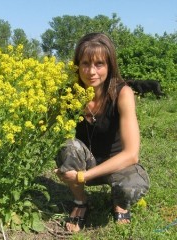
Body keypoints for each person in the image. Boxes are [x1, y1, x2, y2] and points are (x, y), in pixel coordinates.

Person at [54, 32, 150, 232]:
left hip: (118, 166)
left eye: (99, 64)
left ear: (110, 66)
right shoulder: (71, 93)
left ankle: (119, 202)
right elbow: (42, 126)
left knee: (133, 185)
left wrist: (81, 176)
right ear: (77, 66)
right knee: (68, 147)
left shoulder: (123, 93)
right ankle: (80, 202)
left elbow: (132, 154)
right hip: (87, 162)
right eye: (85, 64)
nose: (91, 71)